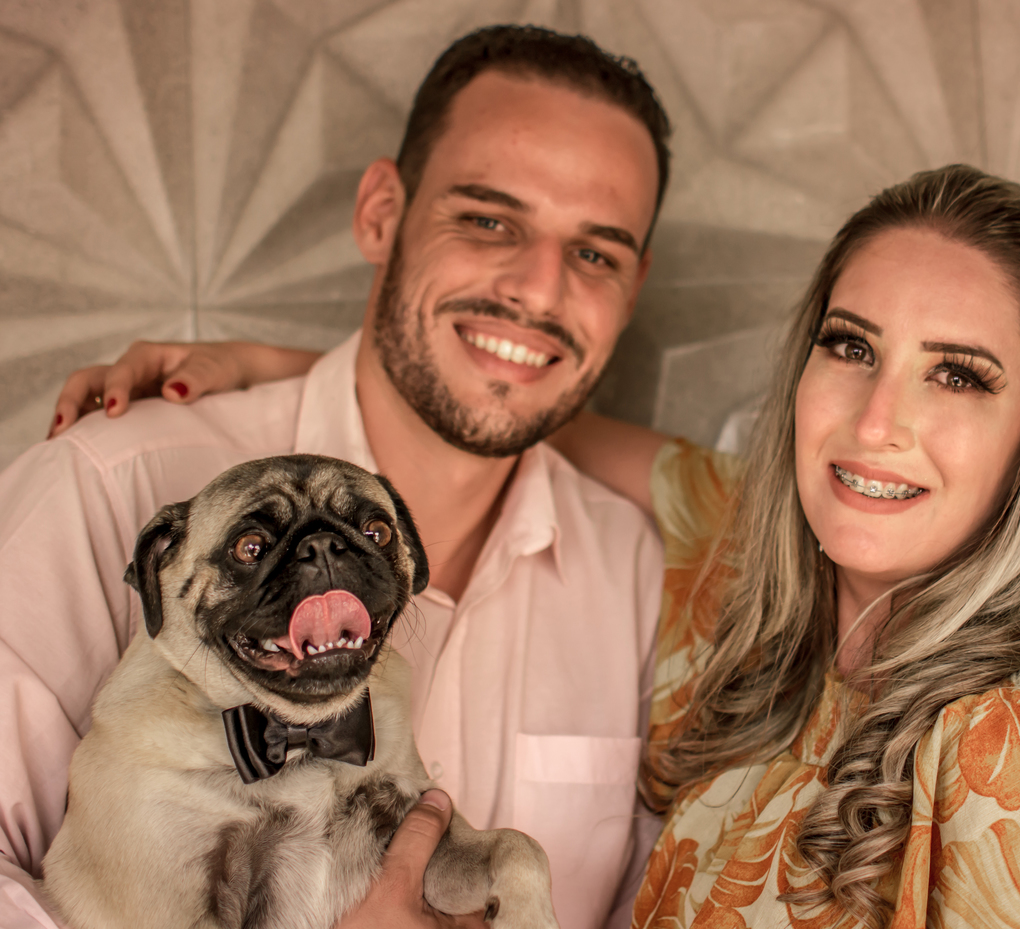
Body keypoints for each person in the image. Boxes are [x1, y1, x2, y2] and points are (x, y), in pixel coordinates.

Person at [79, 164, 1020, 925]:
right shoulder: (747, 560)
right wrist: (276, 369)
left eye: (959, 374)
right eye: (852, 346)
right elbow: (529, 406)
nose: (876, 423)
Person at [0, 25, 673, 929]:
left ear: (633, 288)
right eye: (488, 220)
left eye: (595, 253)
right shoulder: (101, 483)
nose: (538, 289)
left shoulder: (641, 568)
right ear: (381, 213)